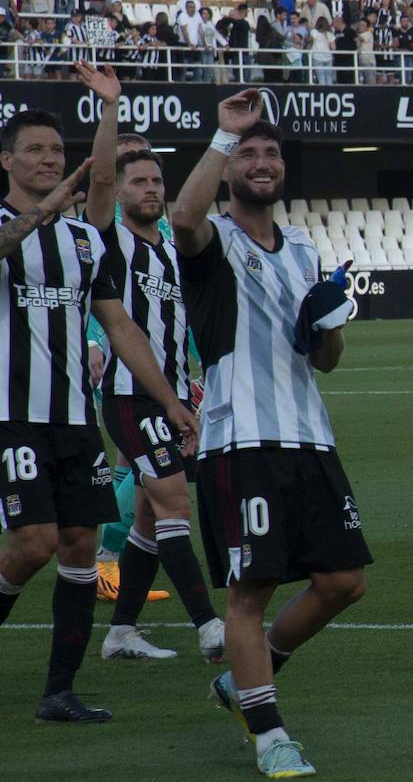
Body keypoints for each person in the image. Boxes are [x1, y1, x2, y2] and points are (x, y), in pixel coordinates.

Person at [172, 92, 372, 779]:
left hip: (309, 438)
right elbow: (182, 218)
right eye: (250, 154)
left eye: (270, 152)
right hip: (241, 442)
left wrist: (330, 320)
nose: (262, 162)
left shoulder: (306, 250)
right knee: (249, 594)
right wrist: (223, 135)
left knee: (344, 581)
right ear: (233, 169)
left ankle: (242, 682)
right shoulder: (215, 241)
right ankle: (269, 735)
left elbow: (323, 359)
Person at [0, 97, 198, 721]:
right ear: (7, 160)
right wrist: (44, 210)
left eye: (57, 152)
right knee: (32, 544)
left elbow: (121, 328)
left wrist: (172, 401)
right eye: (35, 150)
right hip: (13, 413)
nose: (48, 159)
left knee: (81, 545)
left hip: (77, 419)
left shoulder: (86, 240)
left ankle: (59, 691)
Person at [64, 65, 224, 663]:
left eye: (158, 180)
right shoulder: (107, 237)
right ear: (120, 191)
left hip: (176, 392)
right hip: (131, 394)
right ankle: (209, 625)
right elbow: (102, 175)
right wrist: (111, 108)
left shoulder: (175, 248)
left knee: (155, 520)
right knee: (174, 499)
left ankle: (122, 630)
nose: (151, 189)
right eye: (139, 182)